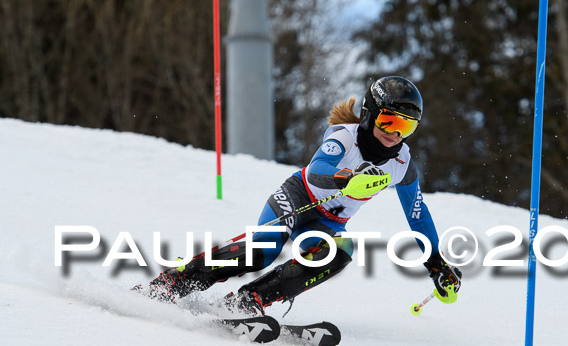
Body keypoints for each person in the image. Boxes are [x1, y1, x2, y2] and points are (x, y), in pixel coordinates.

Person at [143, 76, 461, 315]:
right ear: (370, 114)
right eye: (388, 121)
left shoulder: (403, 165)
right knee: (264, 249)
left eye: (406, 127)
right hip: (298, 198)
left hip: (327, 222)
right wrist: (345, 178)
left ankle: (247, 301)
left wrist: (436, 264)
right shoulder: (344, 137)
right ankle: (177, 281)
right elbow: (316, 170)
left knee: (341, 251)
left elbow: (417, 214)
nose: (394, 134)